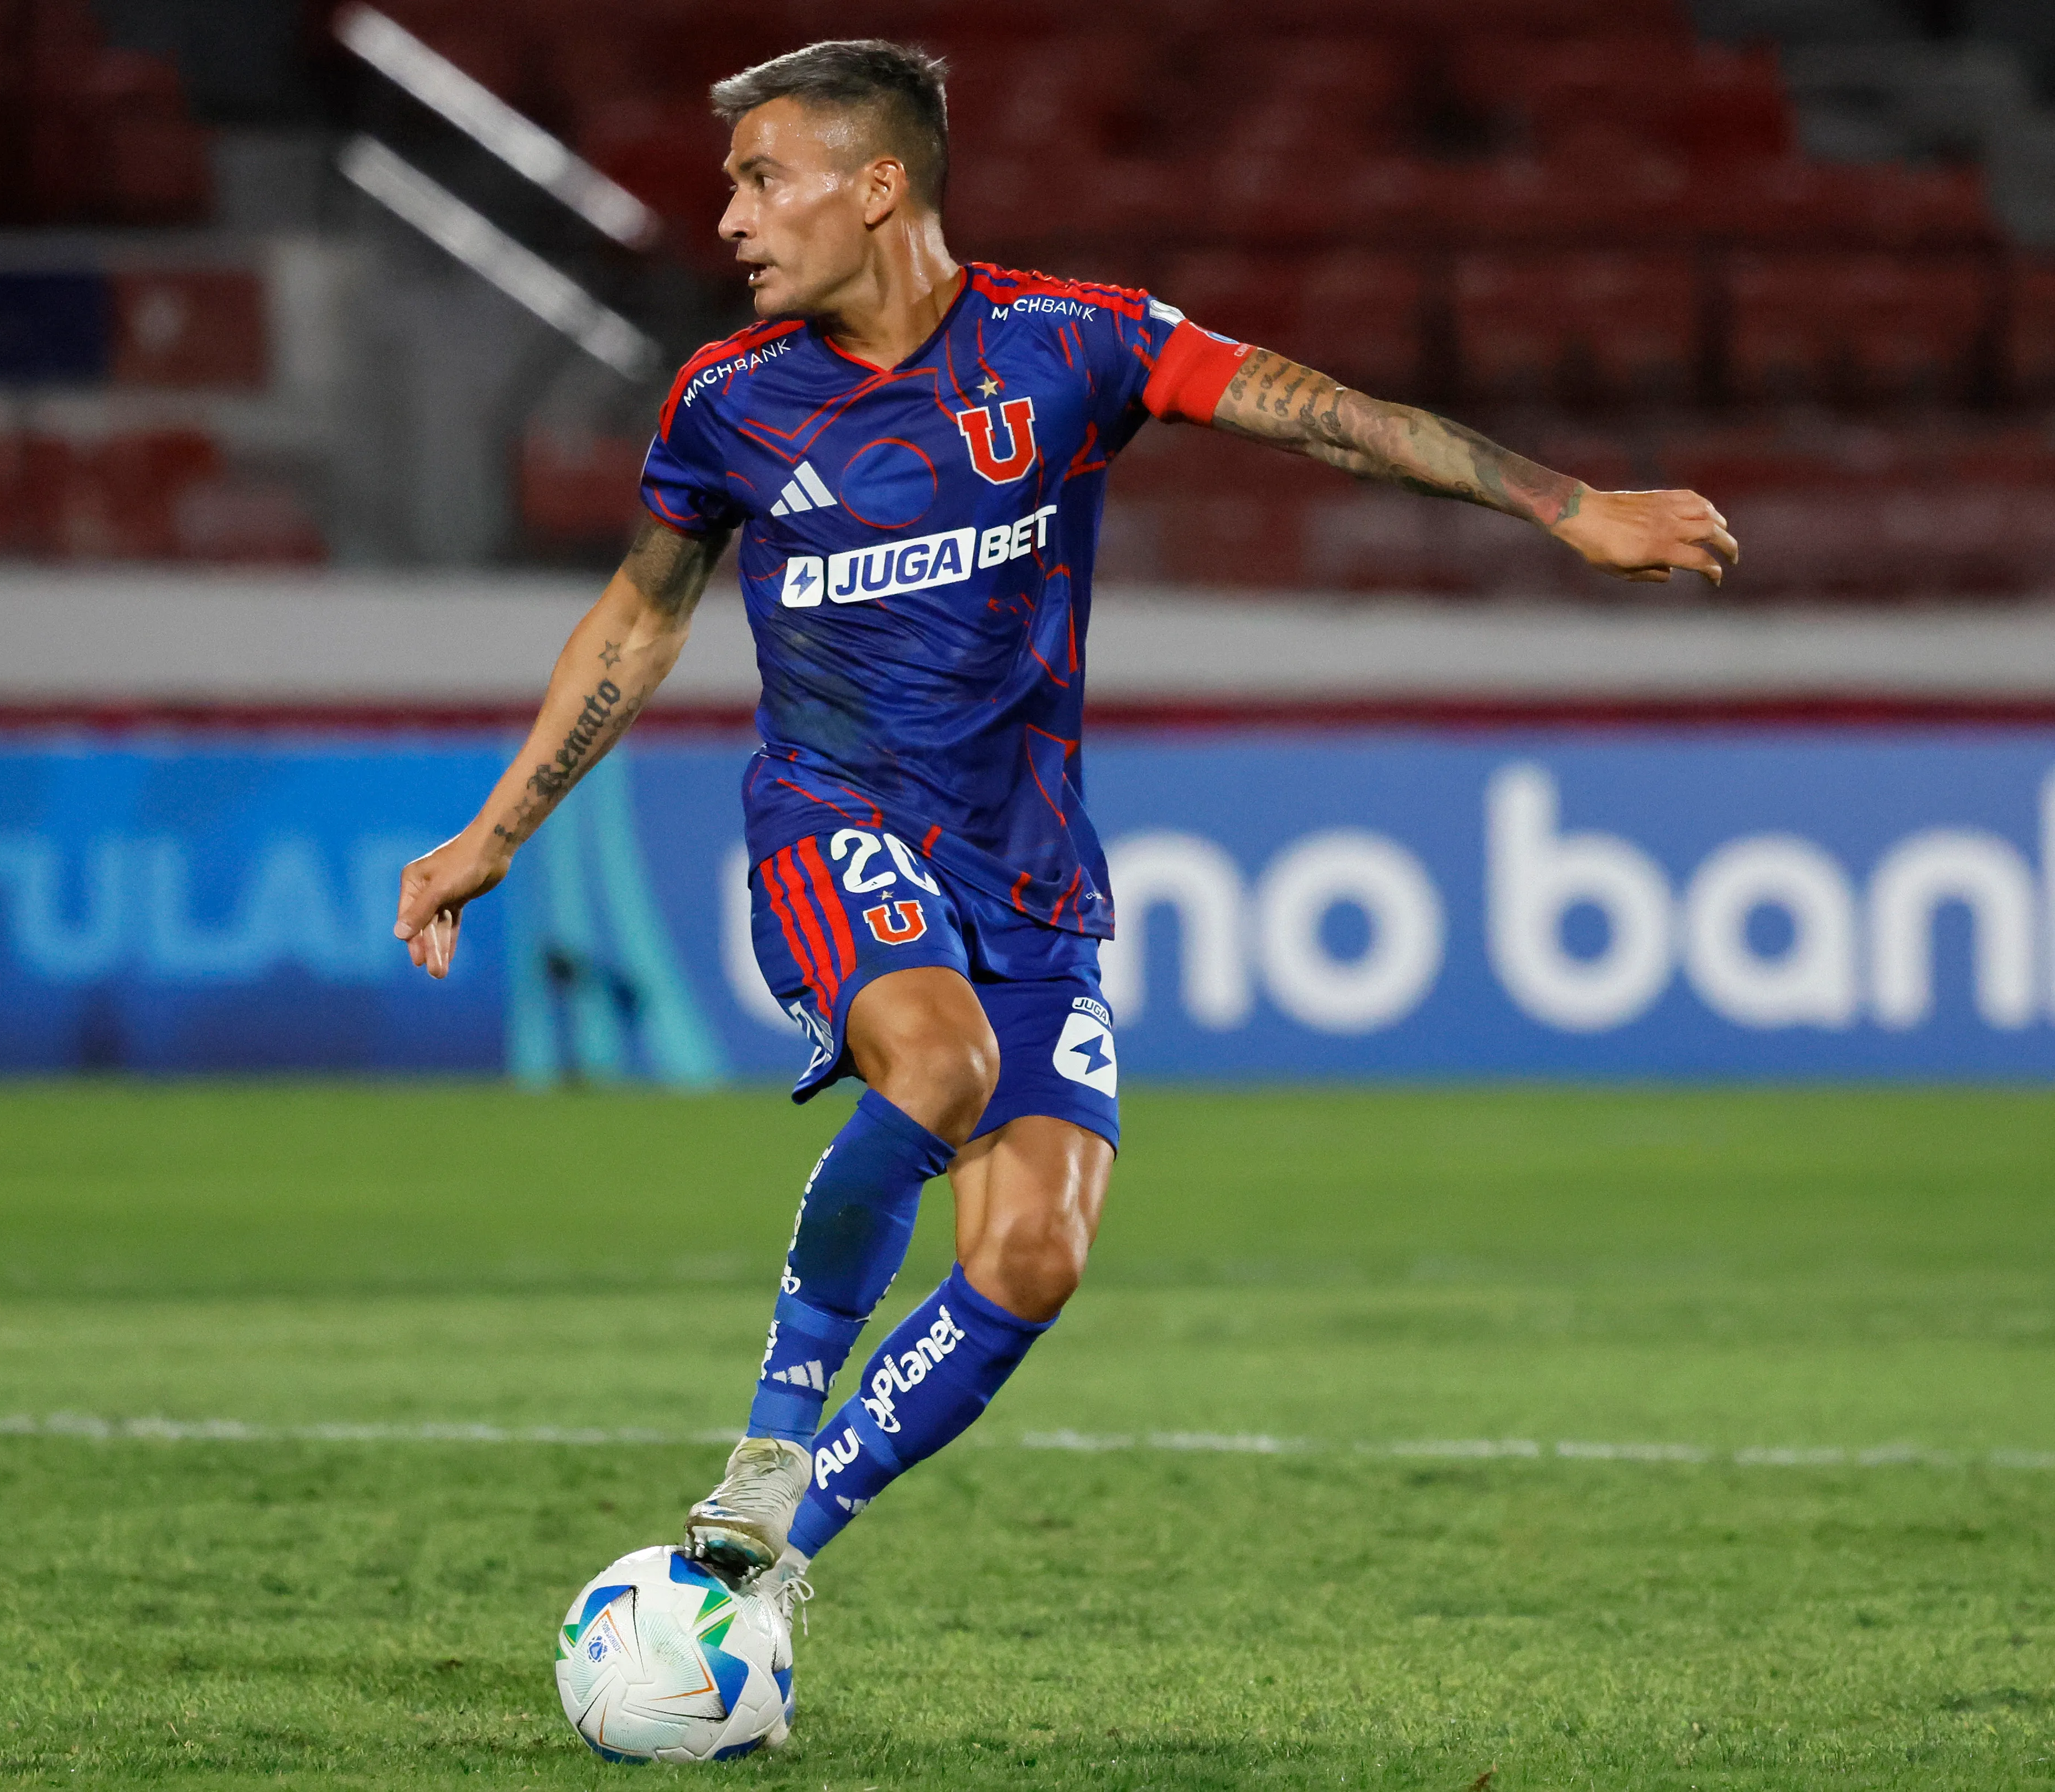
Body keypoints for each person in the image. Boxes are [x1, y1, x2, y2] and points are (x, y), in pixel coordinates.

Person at [396, 39, 1735, 1612]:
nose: (735, 219)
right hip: (830, 826)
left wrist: (1568, 507)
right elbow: (638, 618)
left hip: (1024, 870)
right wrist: (496, 832)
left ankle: (757, 1575)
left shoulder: (1068, 344)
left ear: (878, 184)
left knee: (1033, 1255)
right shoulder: (730, 402)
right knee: (941, 1062)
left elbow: (1323, 415)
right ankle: (768, 1437)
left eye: (764, 179)